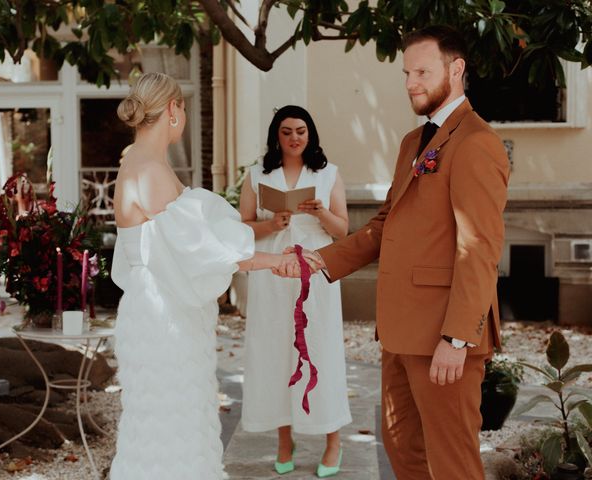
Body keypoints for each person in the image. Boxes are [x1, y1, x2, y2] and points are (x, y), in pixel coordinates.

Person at [281, 26, 510, 479]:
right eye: (407, 73)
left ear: (456, 69)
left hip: (445, 335)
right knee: (401, 446)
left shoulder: (476, 143)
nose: (410, 83)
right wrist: (322, 259)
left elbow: (479, 247)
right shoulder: (413, 142)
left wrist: (457, 338)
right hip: (402, 331)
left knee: (452, 461)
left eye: (422, 71)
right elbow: (388, 223)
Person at [110, 73, 299, 479]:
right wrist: (275, 261)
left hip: (152, 308)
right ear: (174, 110)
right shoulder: (150, 172)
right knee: (172, 423)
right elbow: (204, 252)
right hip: (164, 319)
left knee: (160, 422)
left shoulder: (137, 164)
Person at [240, 105, 352, 478]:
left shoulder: (328, 173)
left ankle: (333, 441)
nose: (293, 138)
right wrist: (270, 224)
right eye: (286, 131)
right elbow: (241, 230)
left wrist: (319, 212)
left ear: (310, 134)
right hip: (270, 273)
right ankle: (283, 440)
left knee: (321, 350)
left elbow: (342, 232)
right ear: (277, 135)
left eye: (300, 131)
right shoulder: (257, 174)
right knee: (274, 352)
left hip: (315, 274)